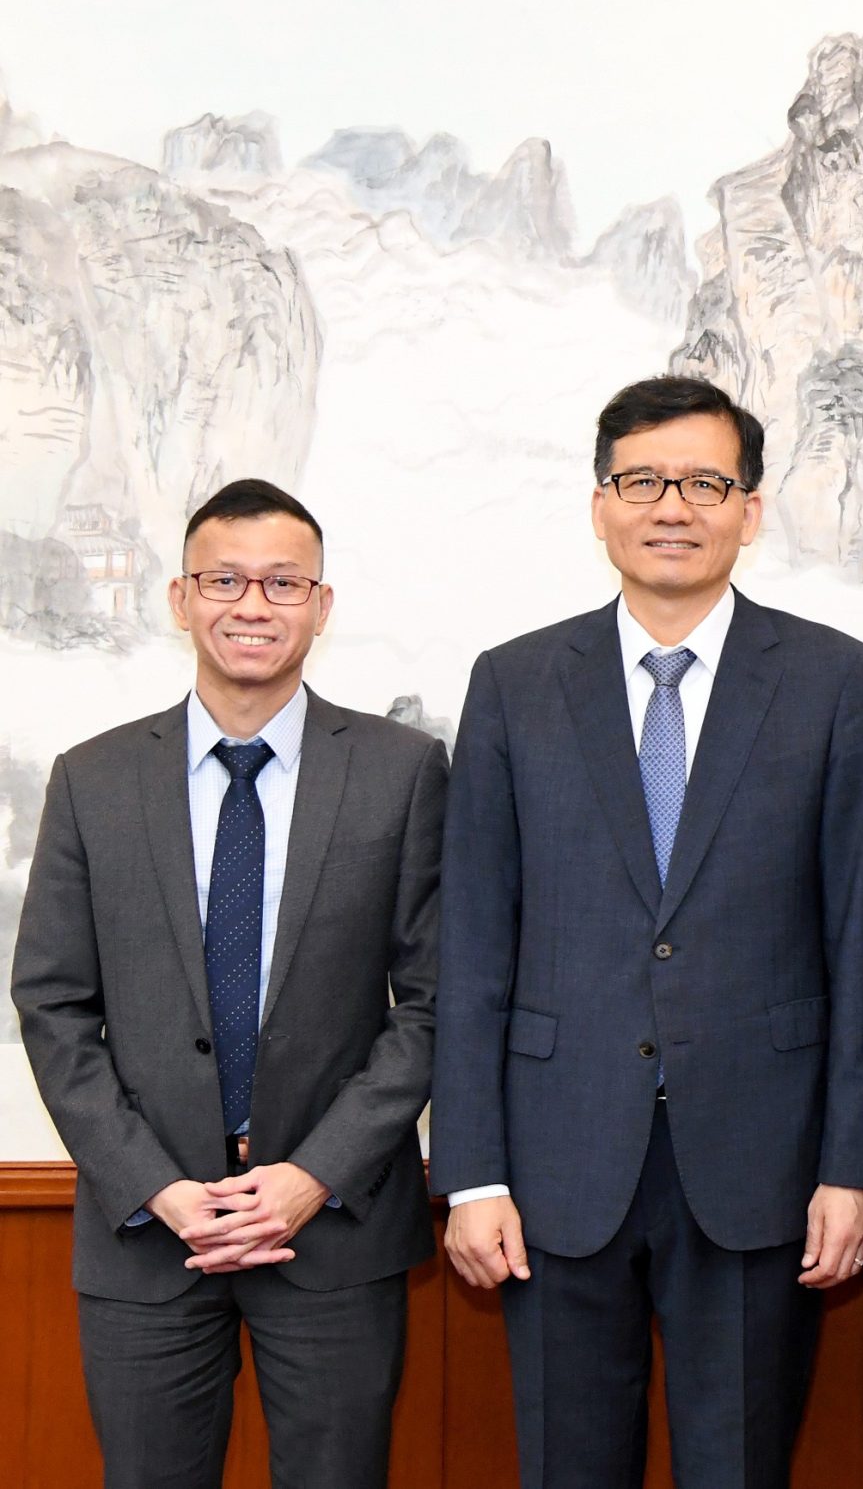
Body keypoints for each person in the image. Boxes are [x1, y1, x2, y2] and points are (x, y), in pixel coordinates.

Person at [431, 376, 863, 1488]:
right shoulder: (513, 684)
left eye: (705, 482)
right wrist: (471, 1173)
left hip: (763, 1164)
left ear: (750, 508)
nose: (673, 507)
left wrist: (852, 1165)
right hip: (553, 1168)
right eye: (643, 481)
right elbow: (474, 942)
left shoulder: (835, 682)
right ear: (601, 505)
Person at [13, 479, 445, 1489]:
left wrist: (313, 1174)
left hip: (333, 1232)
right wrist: (157, 1185)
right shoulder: (93, 778)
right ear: (180, 597)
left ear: (321, 605)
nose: (253, 604)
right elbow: (54, 1004)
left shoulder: (402, 771)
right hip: (145, 1233)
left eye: (283, 582)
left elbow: (432, 1002)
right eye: (225, 580)